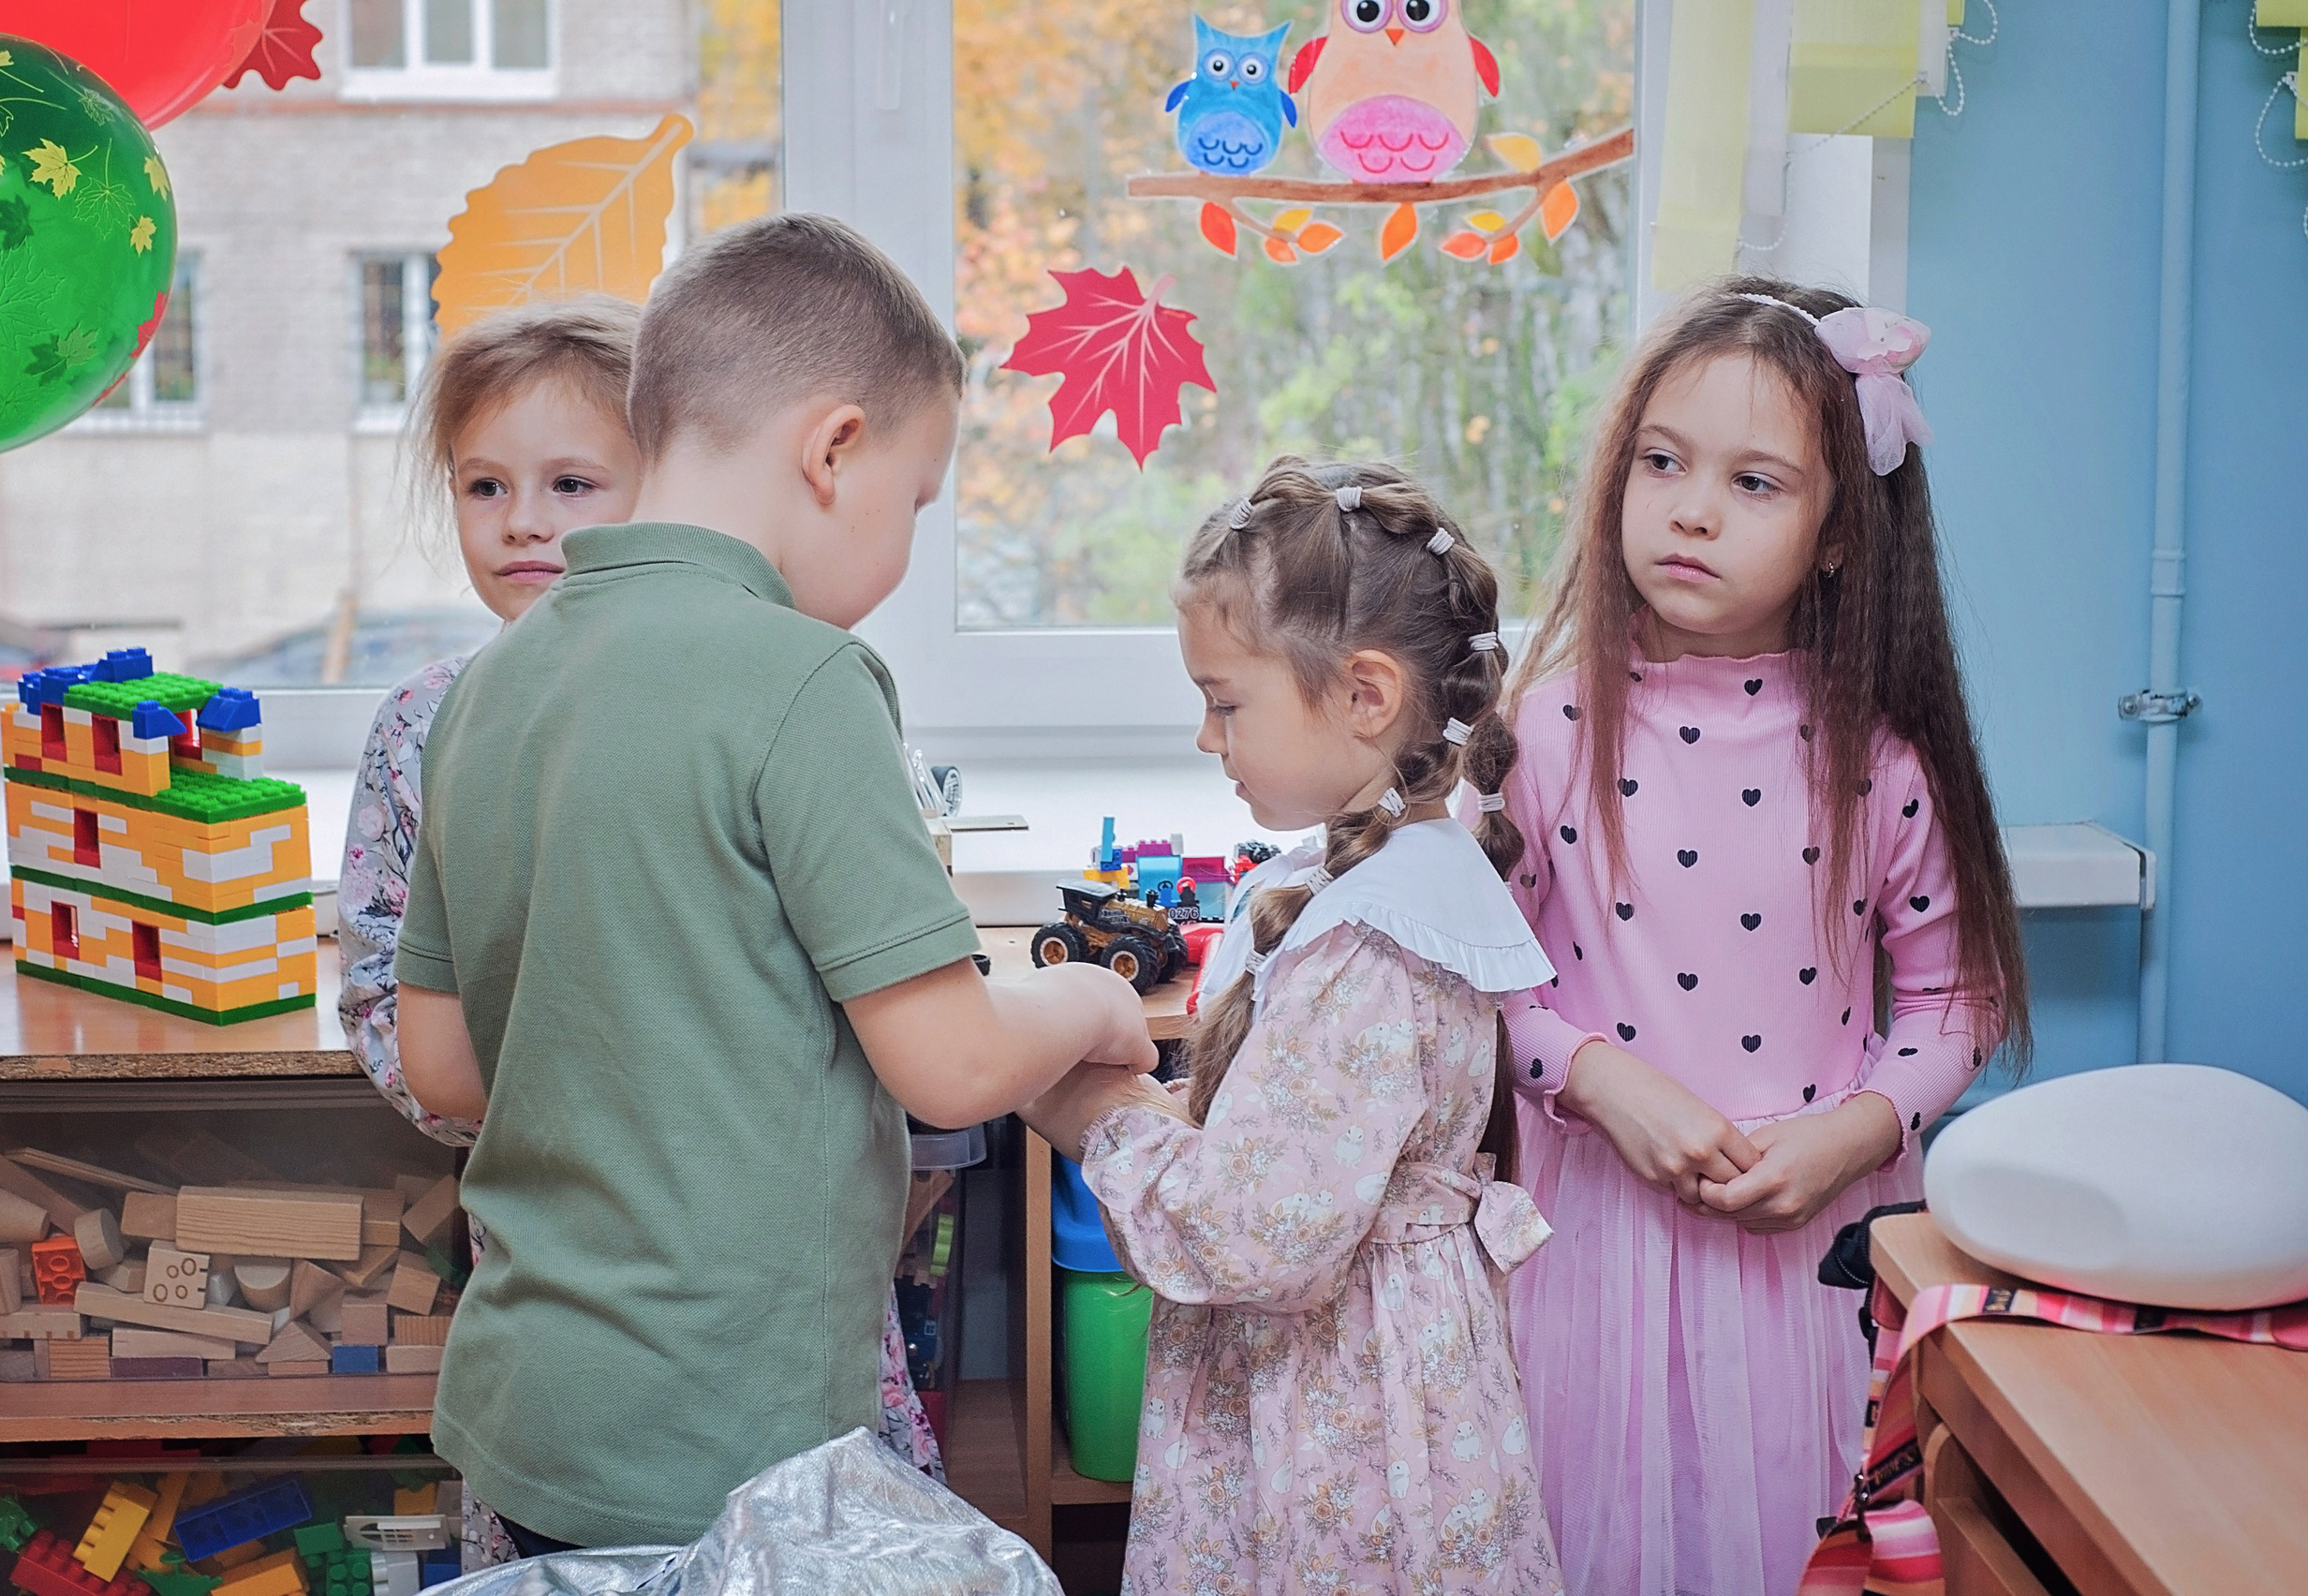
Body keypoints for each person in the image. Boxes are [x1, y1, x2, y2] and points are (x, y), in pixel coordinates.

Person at [390, 214, 1156, 1553]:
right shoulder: (805, 678)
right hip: (725, 1438)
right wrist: (1092, 1000)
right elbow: (952, 1065)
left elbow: (444, 1065)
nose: (907, 543)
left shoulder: (489, 688)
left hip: (526, 1412)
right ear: (833, 450)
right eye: (915, 504)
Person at [333, 297, 948, 1558]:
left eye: (571, 480)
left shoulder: (780, 686)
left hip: (715, 1318)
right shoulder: (428, 723)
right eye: (484, 485)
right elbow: (397, 1003)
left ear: (666, 476)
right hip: (603, 1286)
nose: (526, 520)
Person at [1490, 279, 2031, 1596]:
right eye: (1663, 463)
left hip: (1813, 1270)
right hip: (1591, 1269)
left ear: (1842, 537)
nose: (1689, 508)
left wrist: (1855, 1130)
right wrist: (1600, 1080)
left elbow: (1957, 996)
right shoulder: (1541, 737)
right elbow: (1474, 979)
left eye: (1755, 483)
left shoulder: (1881, 764)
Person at [1024, 458, 1566, 1595]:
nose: (1206, 739)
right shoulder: (1368, 881)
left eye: (1226, 703)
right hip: (1366, 1378)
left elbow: (1251, 1234)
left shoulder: (1369, 942)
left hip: (1338, 1412)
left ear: (1365, 697)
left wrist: (1095, 1117)